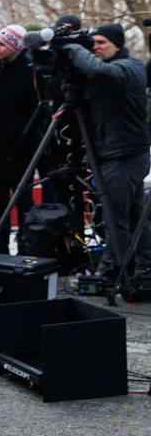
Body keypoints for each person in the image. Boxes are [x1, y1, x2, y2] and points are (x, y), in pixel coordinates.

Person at [63, 23, 151, 280]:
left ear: (118, 45)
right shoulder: (102, 72)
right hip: (113, 153)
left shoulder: (130, 68)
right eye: (93, 44)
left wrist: (73, 49)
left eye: (101, 43)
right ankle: (144, 265)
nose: (96, 48)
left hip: (125, 154)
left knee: (116, 217)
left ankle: (109, 270)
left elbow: (99, 70)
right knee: (133, 216)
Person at [0, 25, 40, 255]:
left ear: (14, 46)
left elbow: (33, 111)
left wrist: (22, 138)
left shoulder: (28, 71)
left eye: (2, 44)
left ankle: (26, 242)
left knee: (23, 199)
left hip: (19, 149)